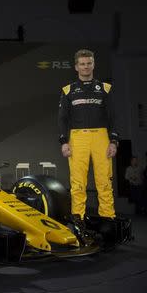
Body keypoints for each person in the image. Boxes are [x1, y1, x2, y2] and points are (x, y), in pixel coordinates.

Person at [58, 49, 118, 238]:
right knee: (78, 183)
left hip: (102, 137)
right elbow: (62, 119)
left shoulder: (106, 88)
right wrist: (64, 141)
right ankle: (78, 221)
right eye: (82, 64)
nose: (86, 67)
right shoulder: (68, 90)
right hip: (77, 138)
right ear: (76, 67)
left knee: (104, 181)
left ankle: (108, 220)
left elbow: (113, 117)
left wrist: (113, 141)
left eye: (89, 63)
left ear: (93, 65)